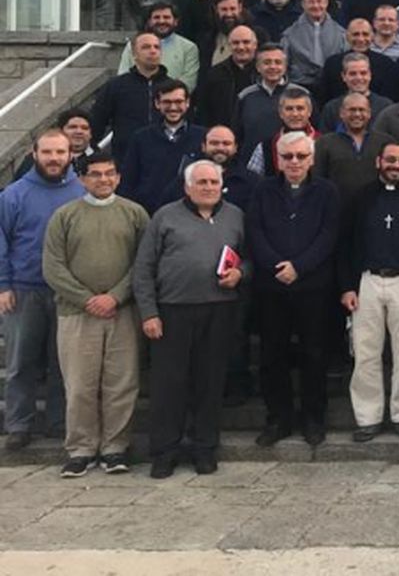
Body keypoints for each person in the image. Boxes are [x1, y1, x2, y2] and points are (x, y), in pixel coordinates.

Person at [133, 160, 247, 477]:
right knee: (169, 385)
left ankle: (204, 448)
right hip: (173, 311)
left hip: (219, 309)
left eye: (213, 182)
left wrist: (241, 272)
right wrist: (149, 313)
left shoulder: (235, 215)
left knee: (209, 383)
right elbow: (143, 269)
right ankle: (165, 451)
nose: (208, 187)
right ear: (187, 186)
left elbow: (249, 259)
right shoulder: (165, 216)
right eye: (202, 182)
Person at [41, 152, 148, 472]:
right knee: (80, 384)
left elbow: (143, 263)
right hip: (77, 314)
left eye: (110, 174)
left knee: (121, 383)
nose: (104, 180)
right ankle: (80, 449)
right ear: (83, 179)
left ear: (118, 177)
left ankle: (115, 447)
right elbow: (53, 266)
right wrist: (87, 298)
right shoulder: (65, 215)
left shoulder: (135, 214)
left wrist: (115, 297)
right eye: (96, 174)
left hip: (122, 313)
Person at [245, 132, 339, 448]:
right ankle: (279, 418)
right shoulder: (262, 191)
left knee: (315, 353)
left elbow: (329, 234)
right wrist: (277, 266)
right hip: (272, 286)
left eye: (301, 156)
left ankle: (314, 418)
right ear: (278, 160)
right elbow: (254, 231)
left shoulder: (327, 191)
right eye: (288, 157)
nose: (295, 162)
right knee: (273, 354)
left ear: (311, 158)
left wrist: (299, 266)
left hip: (313, 285)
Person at [339, 141, 399, 441]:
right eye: (390, 160)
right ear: (379, 161)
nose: (396, 166)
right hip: (367, 281)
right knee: (366, 352)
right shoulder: (361, 197)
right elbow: (345, 242)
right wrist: (346, 287)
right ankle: (367, 417)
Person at [1, 132, 86, 451]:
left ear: (70, 154)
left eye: (60, 152)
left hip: (68, 292)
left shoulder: (81, 192)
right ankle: (18, 424)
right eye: (48, 152)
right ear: (34, 153)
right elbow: (1, 242)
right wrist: (3, 284)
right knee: (21, 362)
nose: (54, 158)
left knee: (62, 362)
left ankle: (59, 421)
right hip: (24, 290)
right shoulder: (13, 194)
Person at [117, 79, 205, 215]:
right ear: (157, 104)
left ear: (187, 103)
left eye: (178, 102)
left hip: (191, 215)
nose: (173, 107)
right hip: (148, 214)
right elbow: (128, 180)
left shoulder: (203, 137)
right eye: (167, 102)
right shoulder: (141, 137)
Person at [90, 32, 170, 161]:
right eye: (146, 47)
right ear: (134, 54)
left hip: (165, 157)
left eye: (156, 47)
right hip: (125, 158)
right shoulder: (116, 86)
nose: (152, 51)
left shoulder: (173, 87)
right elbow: (97, 120)